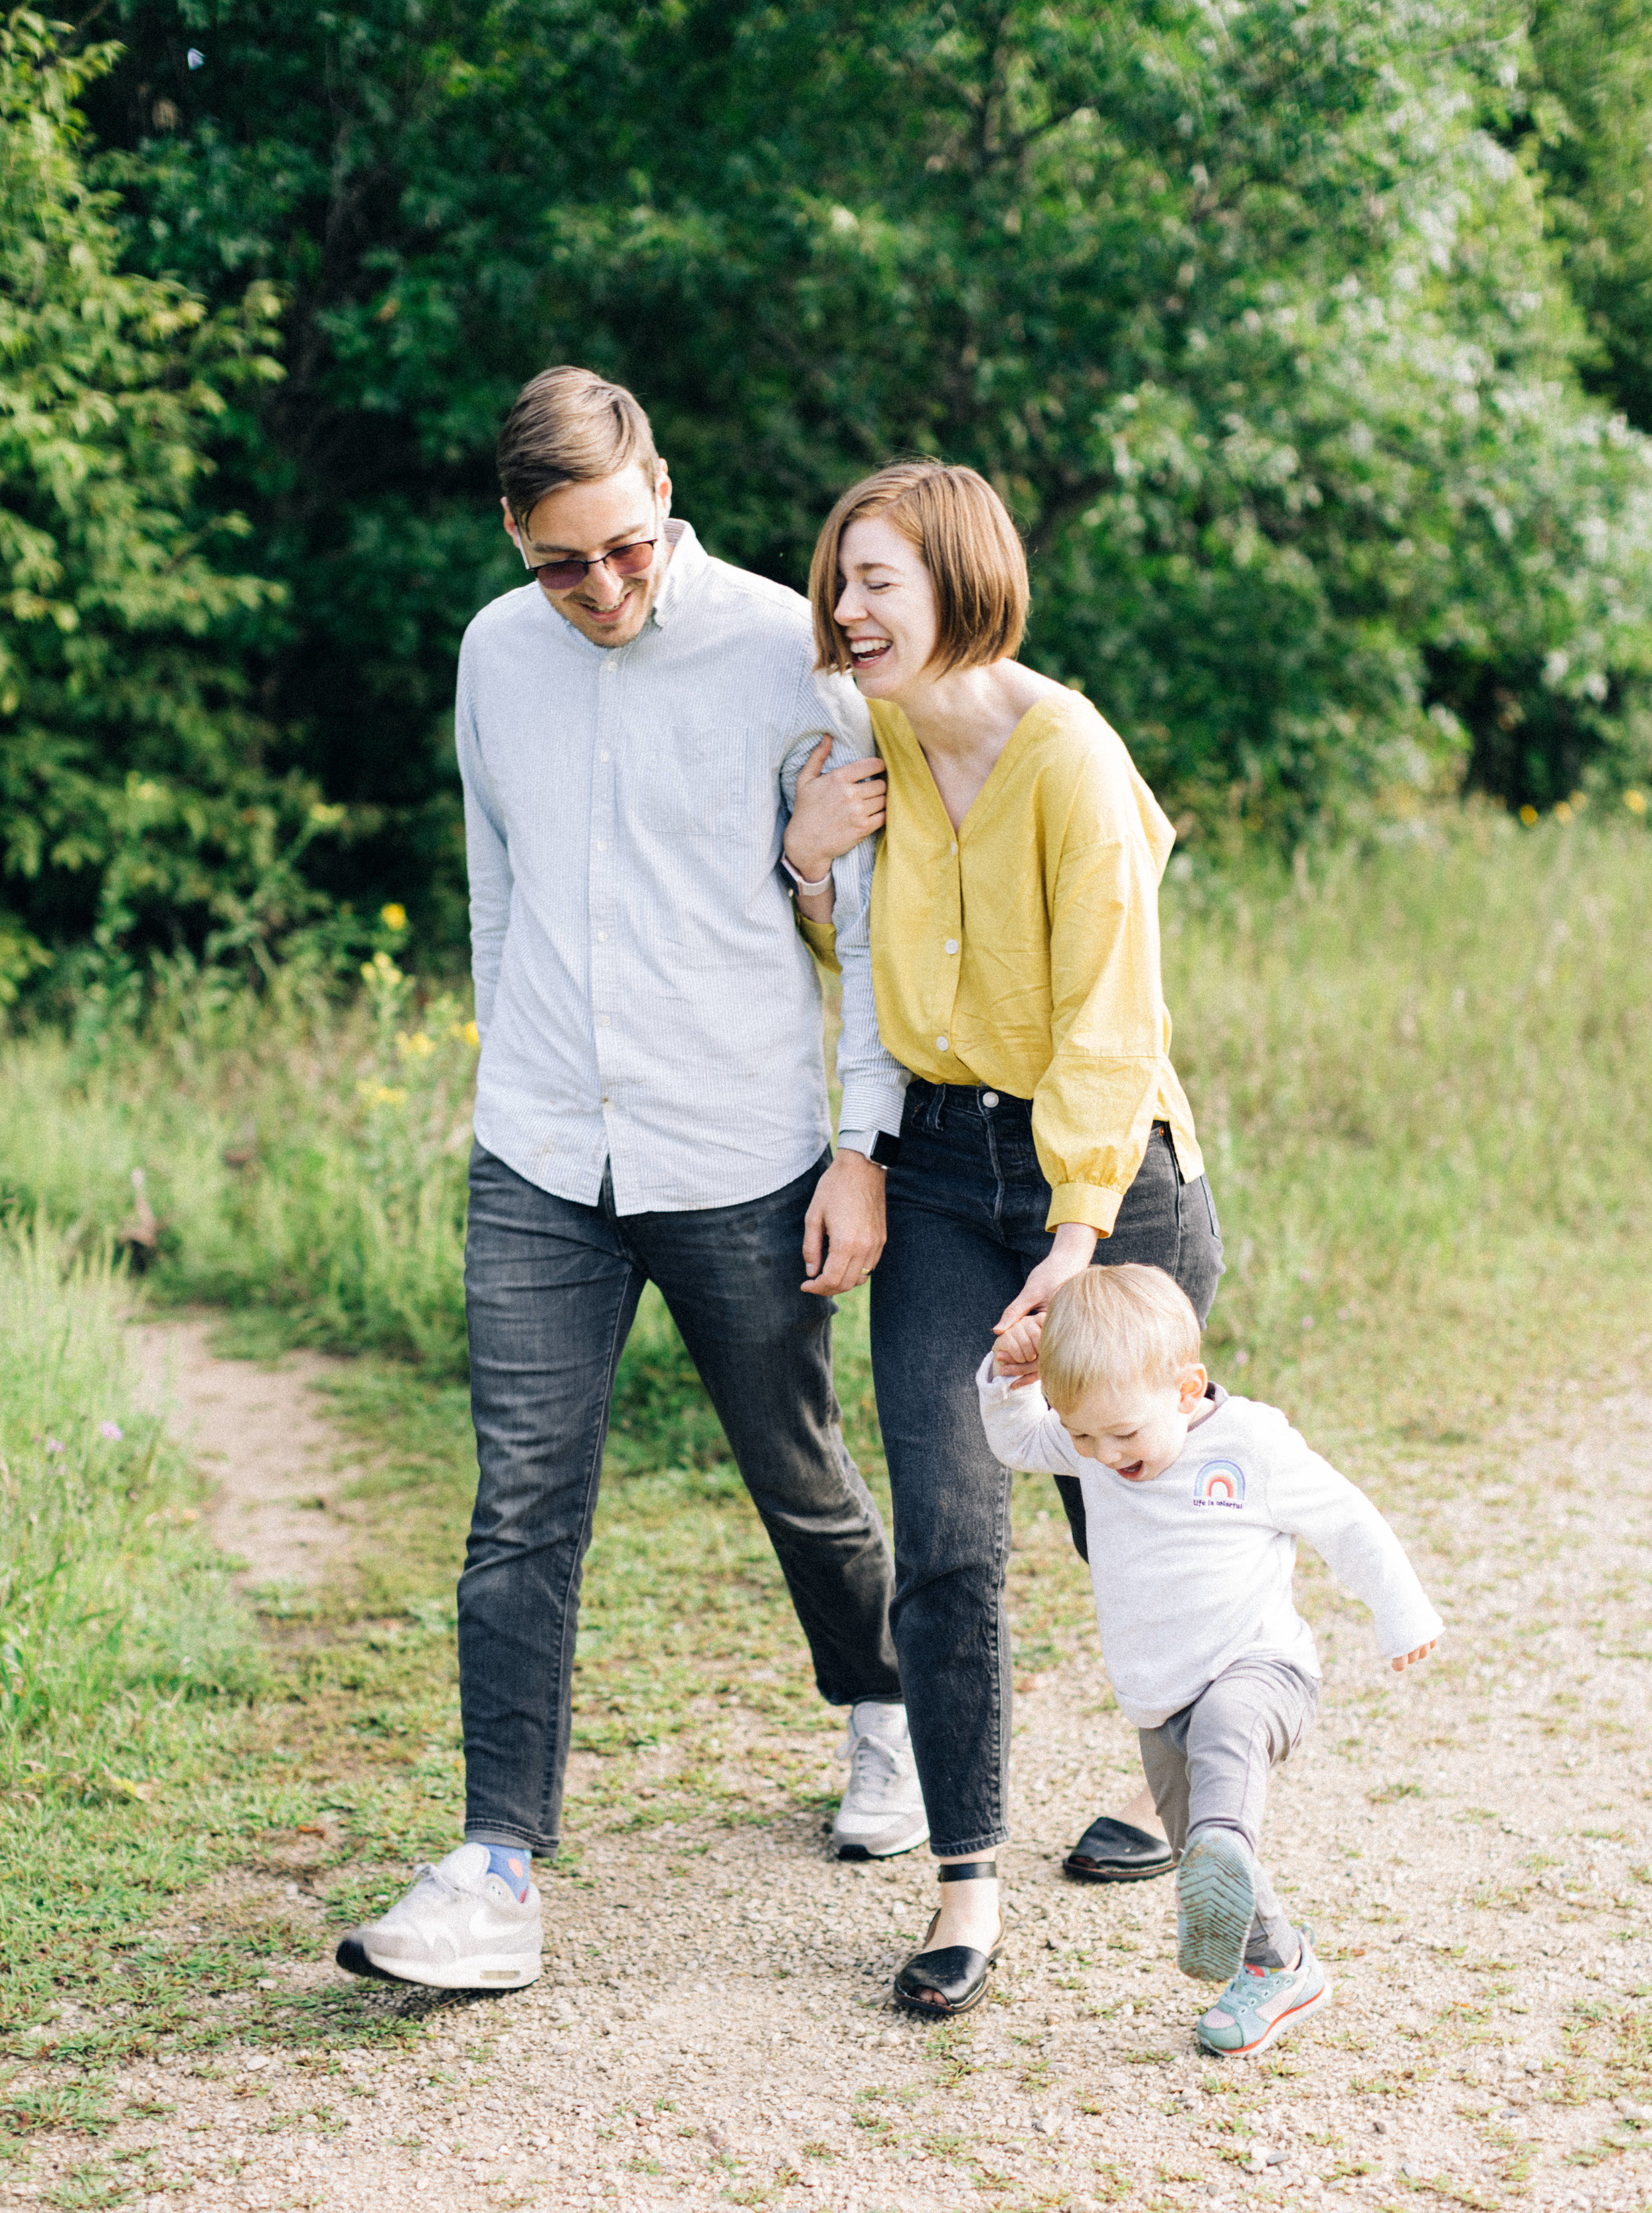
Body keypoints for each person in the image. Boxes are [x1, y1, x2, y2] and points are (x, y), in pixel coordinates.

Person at [335, 366, 928, 1994]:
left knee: (797, 1467)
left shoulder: (782, 651)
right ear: (513, 539)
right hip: (538, 1148)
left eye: (625, 546)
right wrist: (493, 1078)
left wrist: (859, 1152)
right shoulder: (489, 655)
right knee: (519, 1506)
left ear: (661, 484)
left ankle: (888, 1718)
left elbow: (865, 929)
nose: (602, 588)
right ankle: (497, 1869)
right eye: (561, 563)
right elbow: (493, 888)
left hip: (738, 1145)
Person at [784, 460, 1224, 2016]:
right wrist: (807, 862)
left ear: (963, 584)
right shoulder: (868, 738)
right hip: (946, 1177)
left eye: (878, 581)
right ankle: (966, 1887)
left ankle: (1204, 1793)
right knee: (951, 1531)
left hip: (1110, 1174)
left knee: (1134, 1508)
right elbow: (877, 975)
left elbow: (1115, 1020)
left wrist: (1081, 1232)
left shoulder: (1074, 759)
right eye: (841, 580)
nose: (846, 609)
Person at [979, 1264, 1443, 2056]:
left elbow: (1348, 1522)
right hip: (1160, 1699)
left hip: (1262, 1670)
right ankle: (1279, 1966)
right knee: (1190, 1831)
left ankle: (1224, 1841)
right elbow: (1017, 1437)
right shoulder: (1094, 1438)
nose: (1101, 1453)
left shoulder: (1250, 1442)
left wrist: (1401, 1613)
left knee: (1225, 1758)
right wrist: (1008, 1376)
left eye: (1122, 1434)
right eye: (1082, 1434)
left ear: (1187, 1389)